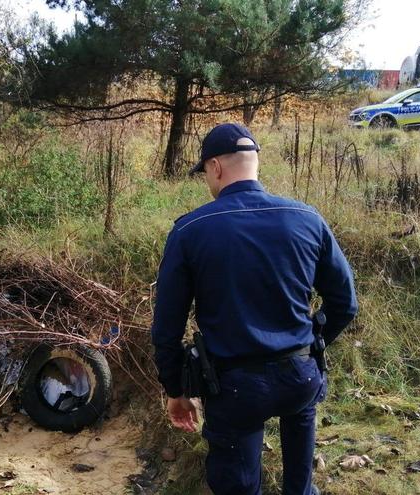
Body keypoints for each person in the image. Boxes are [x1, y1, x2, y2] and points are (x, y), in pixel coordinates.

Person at [151, 123, 358, 495]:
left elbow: (167, 325)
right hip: (300, 375)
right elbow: (345, 303)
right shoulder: (307, 218)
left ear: (214, 167)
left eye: (205, 174)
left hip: (234, 388)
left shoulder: (190, 230)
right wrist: (313, 343)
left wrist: (175, 388)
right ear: (254, 163)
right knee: (300, 486)